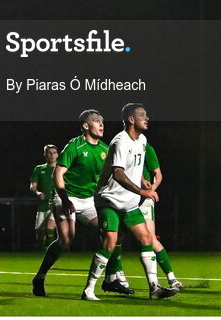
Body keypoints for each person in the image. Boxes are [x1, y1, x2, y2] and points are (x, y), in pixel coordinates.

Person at [80, 103, 177, 301]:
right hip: (109, 199)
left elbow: (135, 165)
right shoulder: (120, 141)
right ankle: (88, 289)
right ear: (131, 120)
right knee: (110, 243)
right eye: (143, 115)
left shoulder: (142, 140)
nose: (147, 118)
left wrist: (143, 181)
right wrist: (142, 191)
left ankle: (154, 288)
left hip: (129, 202)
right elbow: (117, 173)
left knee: (147, 239)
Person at [32, 109, 132, 297]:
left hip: (88, 201)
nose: (101, 124)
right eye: (96, 121)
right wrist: (64, 198)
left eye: (102, 121)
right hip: (65, 197)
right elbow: (58, 175)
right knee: (66, 239)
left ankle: (112, 278)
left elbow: (116, 174)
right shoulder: (74, 146)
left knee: (113, 233)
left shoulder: (104, 149)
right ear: (86, 126)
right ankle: (40, 277)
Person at [139, 138, 182, 290]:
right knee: (115, 238)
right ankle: (116, 277)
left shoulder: (146, 148)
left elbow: (158, 174)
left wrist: (152, 189)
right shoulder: (121, 145)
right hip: (125, 197)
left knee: (150, 238)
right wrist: (140, 179)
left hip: (143, 199)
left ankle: (171, 278)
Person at [29, 144, 59, 249]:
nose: (52, 155)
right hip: (43, 205)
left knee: (50, 227)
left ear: (57, 155)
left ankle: (50, 257)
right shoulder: (39, 169)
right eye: (49, 153)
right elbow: (33, 186)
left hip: (56, 204)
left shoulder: (61, 169)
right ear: (45, 155)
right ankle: (44, 250)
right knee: (40, 234)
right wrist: (37, 192)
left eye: (54, 153)